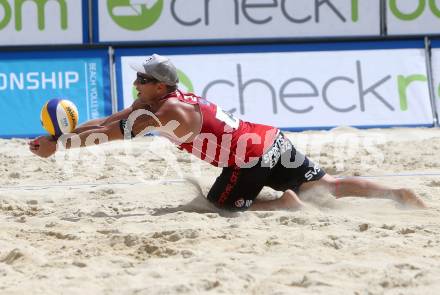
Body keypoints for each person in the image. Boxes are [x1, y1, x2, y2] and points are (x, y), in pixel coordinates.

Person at [29, 54, 427, 211]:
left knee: (216, 207)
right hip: (270, 139)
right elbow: (106, 121)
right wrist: (58, 138)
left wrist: (60, 146)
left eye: (142, 78)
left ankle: (283, 205)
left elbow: (110, 134)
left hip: (248, 158)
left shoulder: (162, 114)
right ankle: (397, 194)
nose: (135, 82)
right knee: (330, 185)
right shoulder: (158, 101)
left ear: (160, 87)